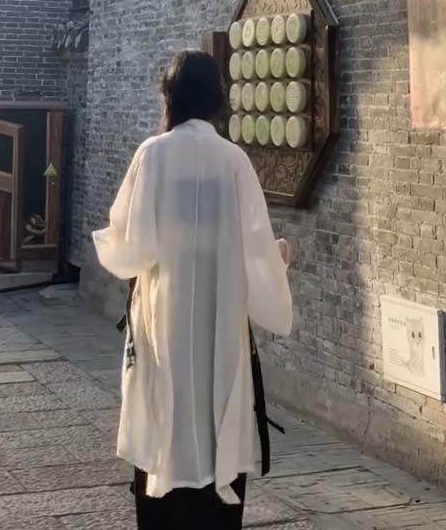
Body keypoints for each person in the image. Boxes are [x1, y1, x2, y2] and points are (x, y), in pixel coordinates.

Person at [92, 50, 292, 530]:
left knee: (165, 414)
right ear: (217, 99)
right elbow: (255, 250)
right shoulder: (233, 160)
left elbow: (130, 248)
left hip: (165, 318)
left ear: (171, 97)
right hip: (221, 321)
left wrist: (116, 243)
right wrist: (279, 258)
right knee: (217, 412)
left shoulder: (153, 154)